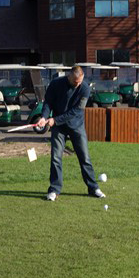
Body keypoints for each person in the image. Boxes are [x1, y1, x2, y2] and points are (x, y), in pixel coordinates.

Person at [36, 65, 105, 201]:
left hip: (76, 126)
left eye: (80, 81)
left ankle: (93, 188)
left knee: (84, 157)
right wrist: (44, 117)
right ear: (69, 77)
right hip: (59, 128)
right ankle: (54, 190)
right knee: (56, 157)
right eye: (75, 81)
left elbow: (76, 111)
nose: (77, 84)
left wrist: (55, 120)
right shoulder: (56, 84)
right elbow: (48, 103)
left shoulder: (85, 88)